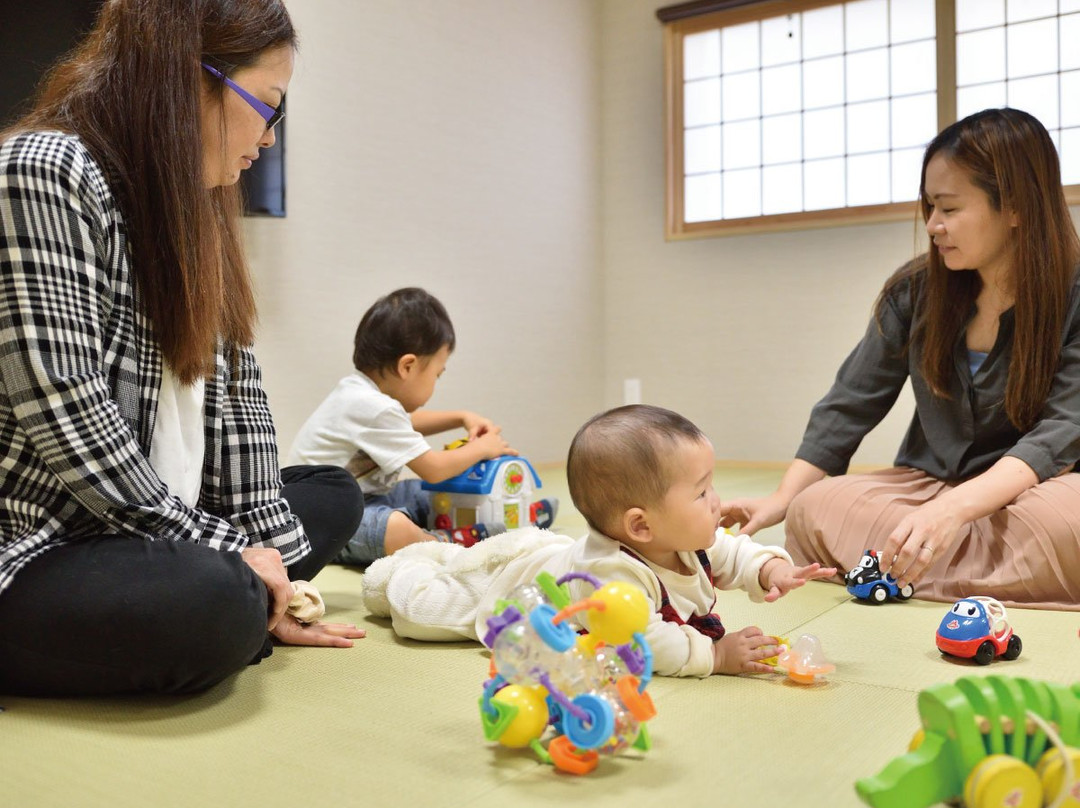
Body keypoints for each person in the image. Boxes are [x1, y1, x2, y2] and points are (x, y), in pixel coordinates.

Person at [0, 0, 367, 698]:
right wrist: (230, 552)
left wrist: (277, 571)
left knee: (330, 493)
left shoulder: (198, 212)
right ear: (187, 79)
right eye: (266, 106)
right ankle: (227, 592)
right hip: (42, 536)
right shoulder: (44, 170)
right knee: (215, 603)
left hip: (156, 519)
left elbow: (242, 402)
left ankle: (235, 587)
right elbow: (65, 408)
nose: (267, 138)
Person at [720, 108, 1080, 612]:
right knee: (813, 509)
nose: (933, 225)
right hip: (928, 486)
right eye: (930, 207)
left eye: (950, 209)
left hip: (1038, 490)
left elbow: (1061, 430)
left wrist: (954, 510)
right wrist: (782, 499)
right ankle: (968, 576)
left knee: (1063, 523)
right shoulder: (916, 291)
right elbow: (850, 404)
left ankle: (907, 570)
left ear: (1016, 205)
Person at [361, 405, 835, 676]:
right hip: (511, 595)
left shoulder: (685, 536)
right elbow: (644, 643)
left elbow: (732, 553)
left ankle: (439, 553)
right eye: (702, 492)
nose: (717, 502)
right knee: (422, 610)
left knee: (469, 556)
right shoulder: (613, 577)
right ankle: (400, 567)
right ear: (641, 527)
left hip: (552, 559)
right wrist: (715, 654)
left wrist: (770, 568)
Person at [288, 287, 542, 564]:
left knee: (421, 492)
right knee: (396, 525)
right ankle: (447, 541)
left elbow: (404, 425)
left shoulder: (362, 395)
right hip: (325, 525)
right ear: (407, 366)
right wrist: (483, 448)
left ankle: (478, 518)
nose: (436, 381)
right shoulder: (372, 406)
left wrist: (460, 417)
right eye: (437, 374)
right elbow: (435, 469)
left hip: (365, 499)